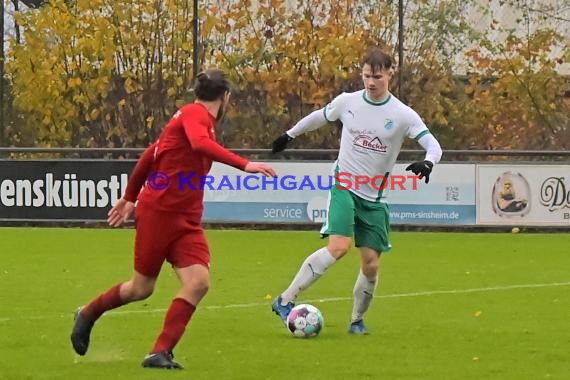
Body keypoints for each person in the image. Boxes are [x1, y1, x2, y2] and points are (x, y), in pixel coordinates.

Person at [70, 68, 276, 369]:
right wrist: (245, 165)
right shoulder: (196, 116)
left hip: (186, 220)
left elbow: (148, 157)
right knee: (141, 288)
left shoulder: (185, 119)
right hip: (160, 214)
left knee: (198, 281)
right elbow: (200, 144)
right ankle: (88, 313)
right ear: (226, 97)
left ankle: (160, 352)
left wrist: (129, 197)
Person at [270, 47, 443, 334]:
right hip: (344, 186)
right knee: (338, 246)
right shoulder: (348, 102)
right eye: (366, 76)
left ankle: (356, 320)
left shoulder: (402, 114)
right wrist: (290, 135)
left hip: (375, 199)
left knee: (371, 265)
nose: (370, 82)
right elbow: (320, 116)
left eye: (377, 76)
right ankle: (285, 299)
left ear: (390, 74)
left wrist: (429, 162)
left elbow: (434, 145)